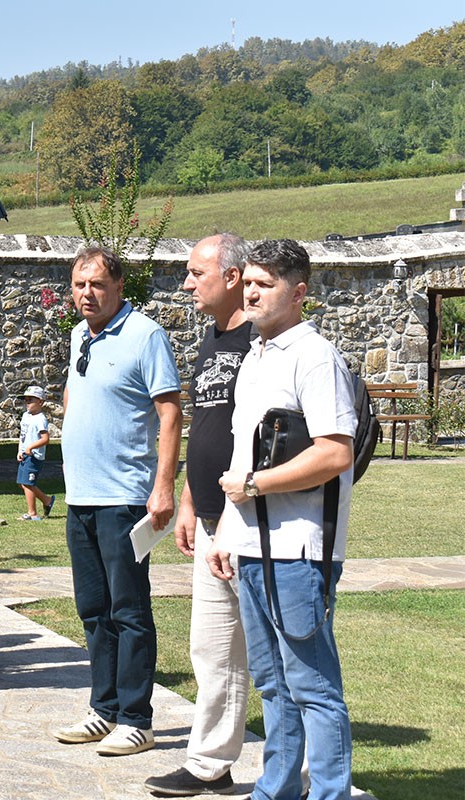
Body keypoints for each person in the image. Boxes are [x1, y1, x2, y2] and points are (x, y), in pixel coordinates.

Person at [210, 239, 356, 800]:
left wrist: (254, 486)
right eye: (247, 281)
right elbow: (243, 456)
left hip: (299, 549)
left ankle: (328, 794)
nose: (250, 291)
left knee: (312, 685)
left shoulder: (314, 356)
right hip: (251, 546)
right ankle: (276, 790)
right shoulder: (256, 355)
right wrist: (229, 527)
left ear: (298, 293)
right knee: (272, 684)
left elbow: (334, 453)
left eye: (264, 283)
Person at [53, 246, 182, 756]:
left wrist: (164, 485)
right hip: (81, 497)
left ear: (119, 287)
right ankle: (102, 710)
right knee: (92, 609)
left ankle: (136, 718)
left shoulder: (145, 335)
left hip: (125, 498)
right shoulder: (77, 336)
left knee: (128, 609)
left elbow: (169, 413)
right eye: (80, 284)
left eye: (98, 284)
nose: (87, 293)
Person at [144, 233, 253, 796]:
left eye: (195, 273)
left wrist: (234, 516)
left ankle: (302, 774)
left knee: (278, 658)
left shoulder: (261, 342)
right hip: (210, 517)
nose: (186, 284)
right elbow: (207, 431)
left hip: (253, 520)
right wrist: (188, 500)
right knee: (211, 649)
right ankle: (211, 763)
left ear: (231, 276)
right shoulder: (212, 340)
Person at [16, 385, 54, 521]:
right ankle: (47, 500)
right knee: (23, 483)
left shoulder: (40, 419)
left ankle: (33, 514)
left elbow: (45, 439)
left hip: (34, 456)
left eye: (30, 400)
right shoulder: (26, 416)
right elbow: (23, 436)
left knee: (27, 483)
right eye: (25, 400)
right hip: (25, 455)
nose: (27, 403)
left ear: (41, 402)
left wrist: (31, 447)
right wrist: (20, 451)